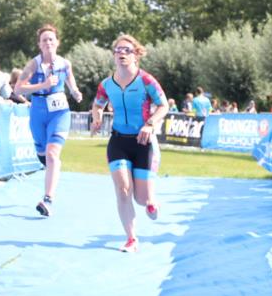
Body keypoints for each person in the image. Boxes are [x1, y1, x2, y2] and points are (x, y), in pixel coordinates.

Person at [90, 34, 169, 253]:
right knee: (123, 189)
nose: (122, 53)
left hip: (143, 142)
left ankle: (151, 199)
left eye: (127, 50)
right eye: (118, 50)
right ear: (114, 56)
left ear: (136, 55)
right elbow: (97, 105)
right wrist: (97, 118)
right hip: (118, 142)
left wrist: (150, 124)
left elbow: (163, 105)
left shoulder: (146, 80)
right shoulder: (107, 84)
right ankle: (131, 239)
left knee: (141, 199)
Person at [15, 24, 83, 217]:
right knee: (43, 155)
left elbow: (71, 81)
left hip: (59, 113)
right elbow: (18, 89)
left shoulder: (65, 64)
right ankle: (51, 169)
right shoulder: (33, 65)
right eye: (44, 40)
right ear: (39, 44)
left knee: (53, 154)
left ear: (57, 42)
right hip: (38, 112)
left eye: (51, 39)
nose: (48, 43)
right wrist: (43, 85)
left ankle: (47, 199)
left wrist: (75, 92)